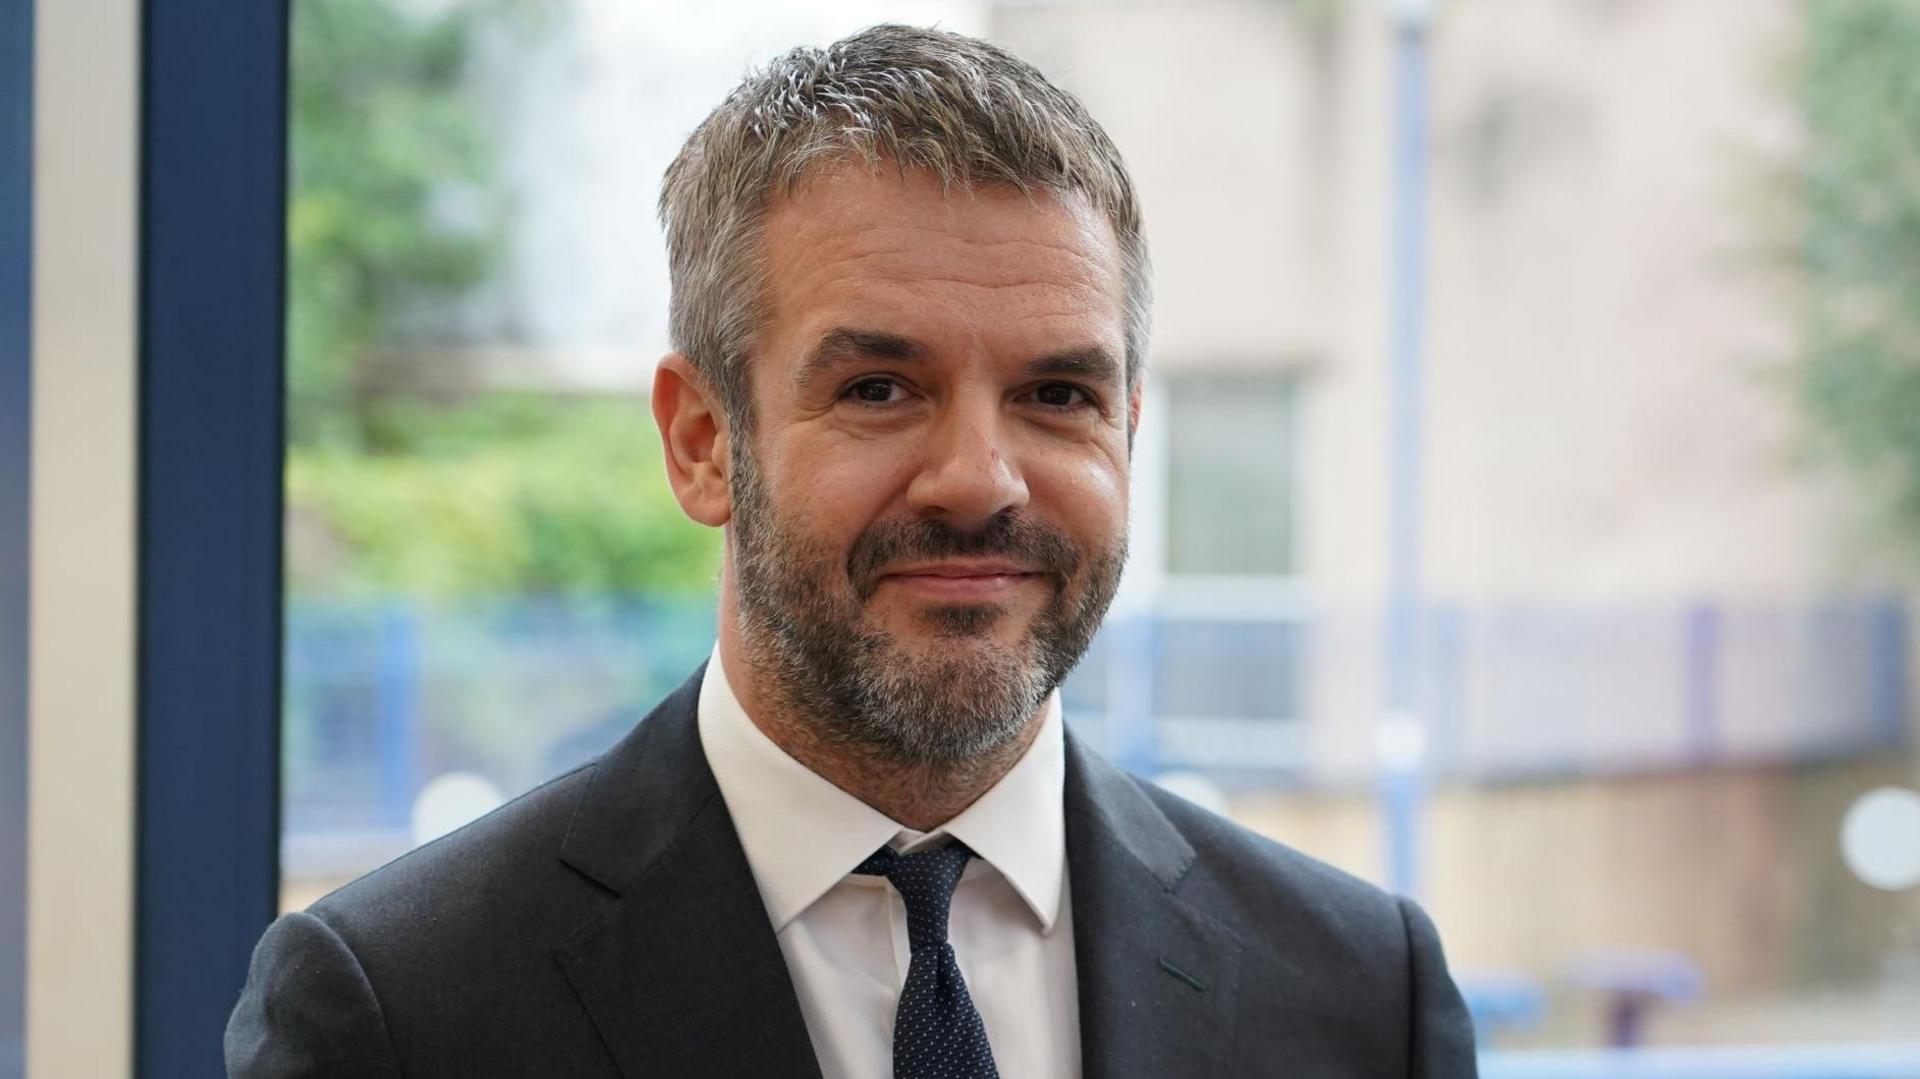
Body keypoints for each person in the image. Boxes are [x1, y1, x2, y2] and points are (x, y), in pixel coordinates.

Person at [226, 24, 1477, 1078]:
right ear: (704, 441)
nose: (981, 478)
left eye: (1057, 394)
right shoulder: (404, 1009)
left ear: (1129, 430)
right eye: (882, 388)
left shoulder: (1361, 993)